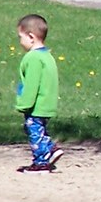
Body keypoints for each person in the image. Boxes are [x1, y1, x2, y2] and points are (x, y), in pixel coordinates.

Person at [14, 14, 63, 173]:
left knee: (34, 133)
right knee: (39, 131)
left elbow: (31, 85)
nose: (19, 41)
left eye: (20, 37)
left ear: (31, 36)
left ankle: (41, 161)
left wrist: (23, 104)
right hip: (46, 103)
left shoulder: (33, 58)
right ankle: (51, 149)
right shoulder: (47, 56)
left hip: (36, 105)